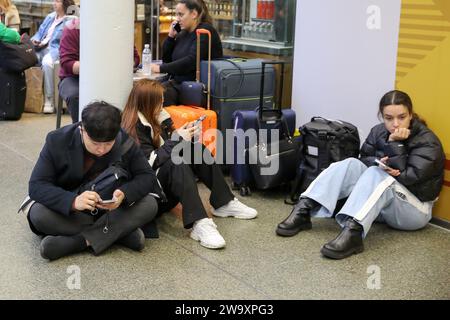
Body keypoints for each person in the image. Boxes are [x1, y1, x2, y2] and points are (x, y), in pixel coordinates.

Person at [276, 90, 445, 260]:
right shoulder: (378, 131)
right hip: (382, 206)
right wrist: (379, 162)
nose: (395, 124)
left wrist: (395, 144)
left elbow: (410, 178)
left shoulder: (427, 141)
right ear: (381, 116)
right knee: (351, 163)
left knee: (377, 174)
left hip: (414, 211)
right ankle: (304, 209)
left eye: (401, 117)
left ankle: (354, 232)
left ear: (411, 114)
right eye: (389, 118)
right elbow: (364, 159)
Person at [121, 79, 258, 249]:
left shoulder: (157, 116)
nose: (163, 105)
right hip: (148, 193)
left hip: (160, 181)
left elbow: (167, 144)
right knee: (175, 163)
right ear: (148, 104)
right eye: (160, 102)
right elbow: (150, 162)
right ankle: (199, 222)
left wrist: (182, 135)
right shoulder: (134, 127)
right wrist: (178, 140)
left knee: (196, 150)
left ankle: (223, 202)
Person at [23, 101, 160, 261]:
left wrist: (124, 194)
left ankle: (78, 242)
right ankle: (117, 233)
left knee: (150, 204)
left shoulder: (124, 140)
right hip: (74, 212)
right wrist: (73, 201)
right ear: (82, 130)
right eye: (95, 143)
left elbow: (147, 176)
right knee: (38, 214)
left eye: (109, 143)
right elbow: (37, 185)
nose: (101, 149)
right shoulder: (57, 140)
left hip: (110, 208)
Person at [59, 17, 141, 123]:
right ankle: (81, 132)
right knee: (75, 95)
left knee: (135, 93)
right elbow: (67, 63)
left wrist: (117, 66)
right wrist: (99, 68)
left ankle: (125, 132)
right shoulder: (73, 28)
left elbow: (134, 58)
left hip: (111, 74)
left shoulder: (117, 28)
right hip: (75, 77)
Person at [151, 0, 223, 106]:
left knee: (154, 96)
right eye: (176, 15)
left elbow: (191, 61)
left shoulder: (204, 31)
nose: (177, 19)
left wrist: (160, 68)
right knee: (144, 91)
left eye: (181, 14)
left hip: (194, 87)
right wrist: (171, 37)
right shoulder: (183, 33)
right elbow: (167, 60)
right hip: (178, 83)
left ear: (194, 14)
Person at [31, 0, 75, 114]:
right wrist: (35, 40)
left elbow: (65, 42)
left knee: (47, 63)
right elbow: (39, 33)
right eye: (53, 1)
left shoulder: (70, 20)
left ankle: (49, 99)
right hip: (40, 47)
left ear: (66, 3)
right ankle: (30, 99)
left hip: (54, 50)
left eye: (57, 1)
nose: (54, 3)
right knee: (25, 58)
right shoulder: (50, 17)